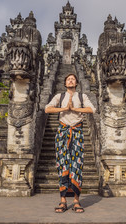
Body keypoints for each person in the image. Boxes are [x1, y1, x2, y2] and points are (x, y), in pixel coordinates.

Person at [45, 73, 95, 213]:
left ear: (77, 83)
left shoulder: (81, 96)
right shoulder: (59, 97)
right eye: (68, 79)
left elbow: (92, 109)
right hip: (62, 132)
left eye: (73, 79)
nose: (71, 80)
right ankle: (63, 201)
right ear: (65, 84)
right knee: (62, 165)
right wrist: (64, 109)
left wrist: (74, 109)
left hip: (77, 132)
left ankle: (76, 201)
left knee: (77, 166)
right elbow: (47, 108)